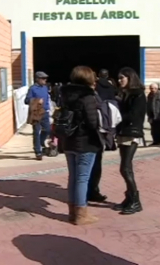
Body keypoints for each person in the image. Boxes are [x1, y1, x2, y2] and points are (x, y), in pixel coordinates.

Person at [61, 66, 103, 225]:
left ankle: (72, 212)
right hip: (85, 142)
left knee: (73, 177)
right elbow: (93, 122)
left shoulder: (65, 95)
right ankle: (81, 213)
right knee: (82, 178)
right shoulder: (88, 97)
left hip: (69, 141)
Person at [113, 67, 146, 215]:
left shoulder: (138, 95)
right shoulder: (124, 94)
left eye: (122, 78)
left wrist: (117, 114)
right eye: (119, 78)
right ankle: (129, 198)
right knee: (125, 168)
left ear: (130, 78)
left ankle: (135, 200)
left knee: (125, 168)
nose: (119, 81)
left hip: (132, 133)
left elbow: (134, 115)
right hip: (123, 132)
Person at [87, 69, 119, 203]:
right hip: (100, 130)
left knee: (82, 169)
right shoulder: (111, 87)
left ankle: (83, 194)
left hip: (86, 135)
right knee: (95, 164)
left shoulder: (90, 93)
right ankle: (92, 192)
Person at [25, 71, 51, 160]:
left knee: (48, 130)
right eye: (43, 78)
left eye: (45, 78)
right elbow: (26, 100)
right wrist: (36, 100)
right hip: (36, 113)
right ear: (37, 79)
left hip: (45, 112)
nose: (45, 80)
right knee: (36, 132)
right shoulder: (32, 89)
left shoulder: (45, 87)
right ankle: (38, 151)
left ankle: (39, 142)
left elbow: (47, 99)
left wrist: (49, 108)